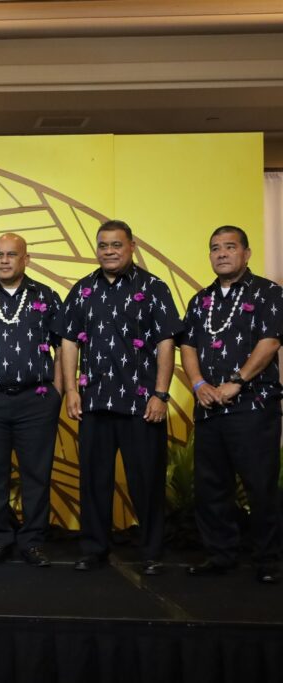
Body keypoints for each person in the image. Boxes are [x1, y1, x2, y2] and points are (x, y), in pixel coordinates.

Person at [59, 219, 182, 575]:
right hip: (94, 402)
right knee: (94, 482)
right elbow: (69, 340)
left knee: (147, 481)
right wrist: (70, 390)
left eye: (116, 245)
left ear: (131, 246)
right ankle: (93, 548)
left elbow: (165, 342)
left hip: (141, 404)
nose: (109, 251)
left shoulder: (154, 287)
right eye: (103, 245)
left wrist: (161, 394)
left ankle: (152, 551)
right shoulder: (82, 289)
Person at [180, 225, 282, 584]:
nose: (221, 253)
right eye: (215, 248)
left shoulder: (268, 293)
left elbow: (270, 342)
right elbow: (188, 345)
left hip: (254, 406)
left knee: (260, 485)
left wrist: (236, 382)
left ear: (246, 253)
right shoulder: (200, 300)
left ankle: (268, 560)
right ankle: (220, 555)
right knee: (211, 487)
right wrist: (198, 384)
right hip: (209, 407)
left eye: (229, 247)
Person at [0, 233, 63, 567]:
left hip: (36, 400)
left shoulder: (47, 297)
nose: (4, 260)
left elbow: (63, 348)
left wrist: (59, 391)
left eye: (12, 255)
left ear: (26, 259)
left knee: (37, 474)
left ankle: (33, 542)